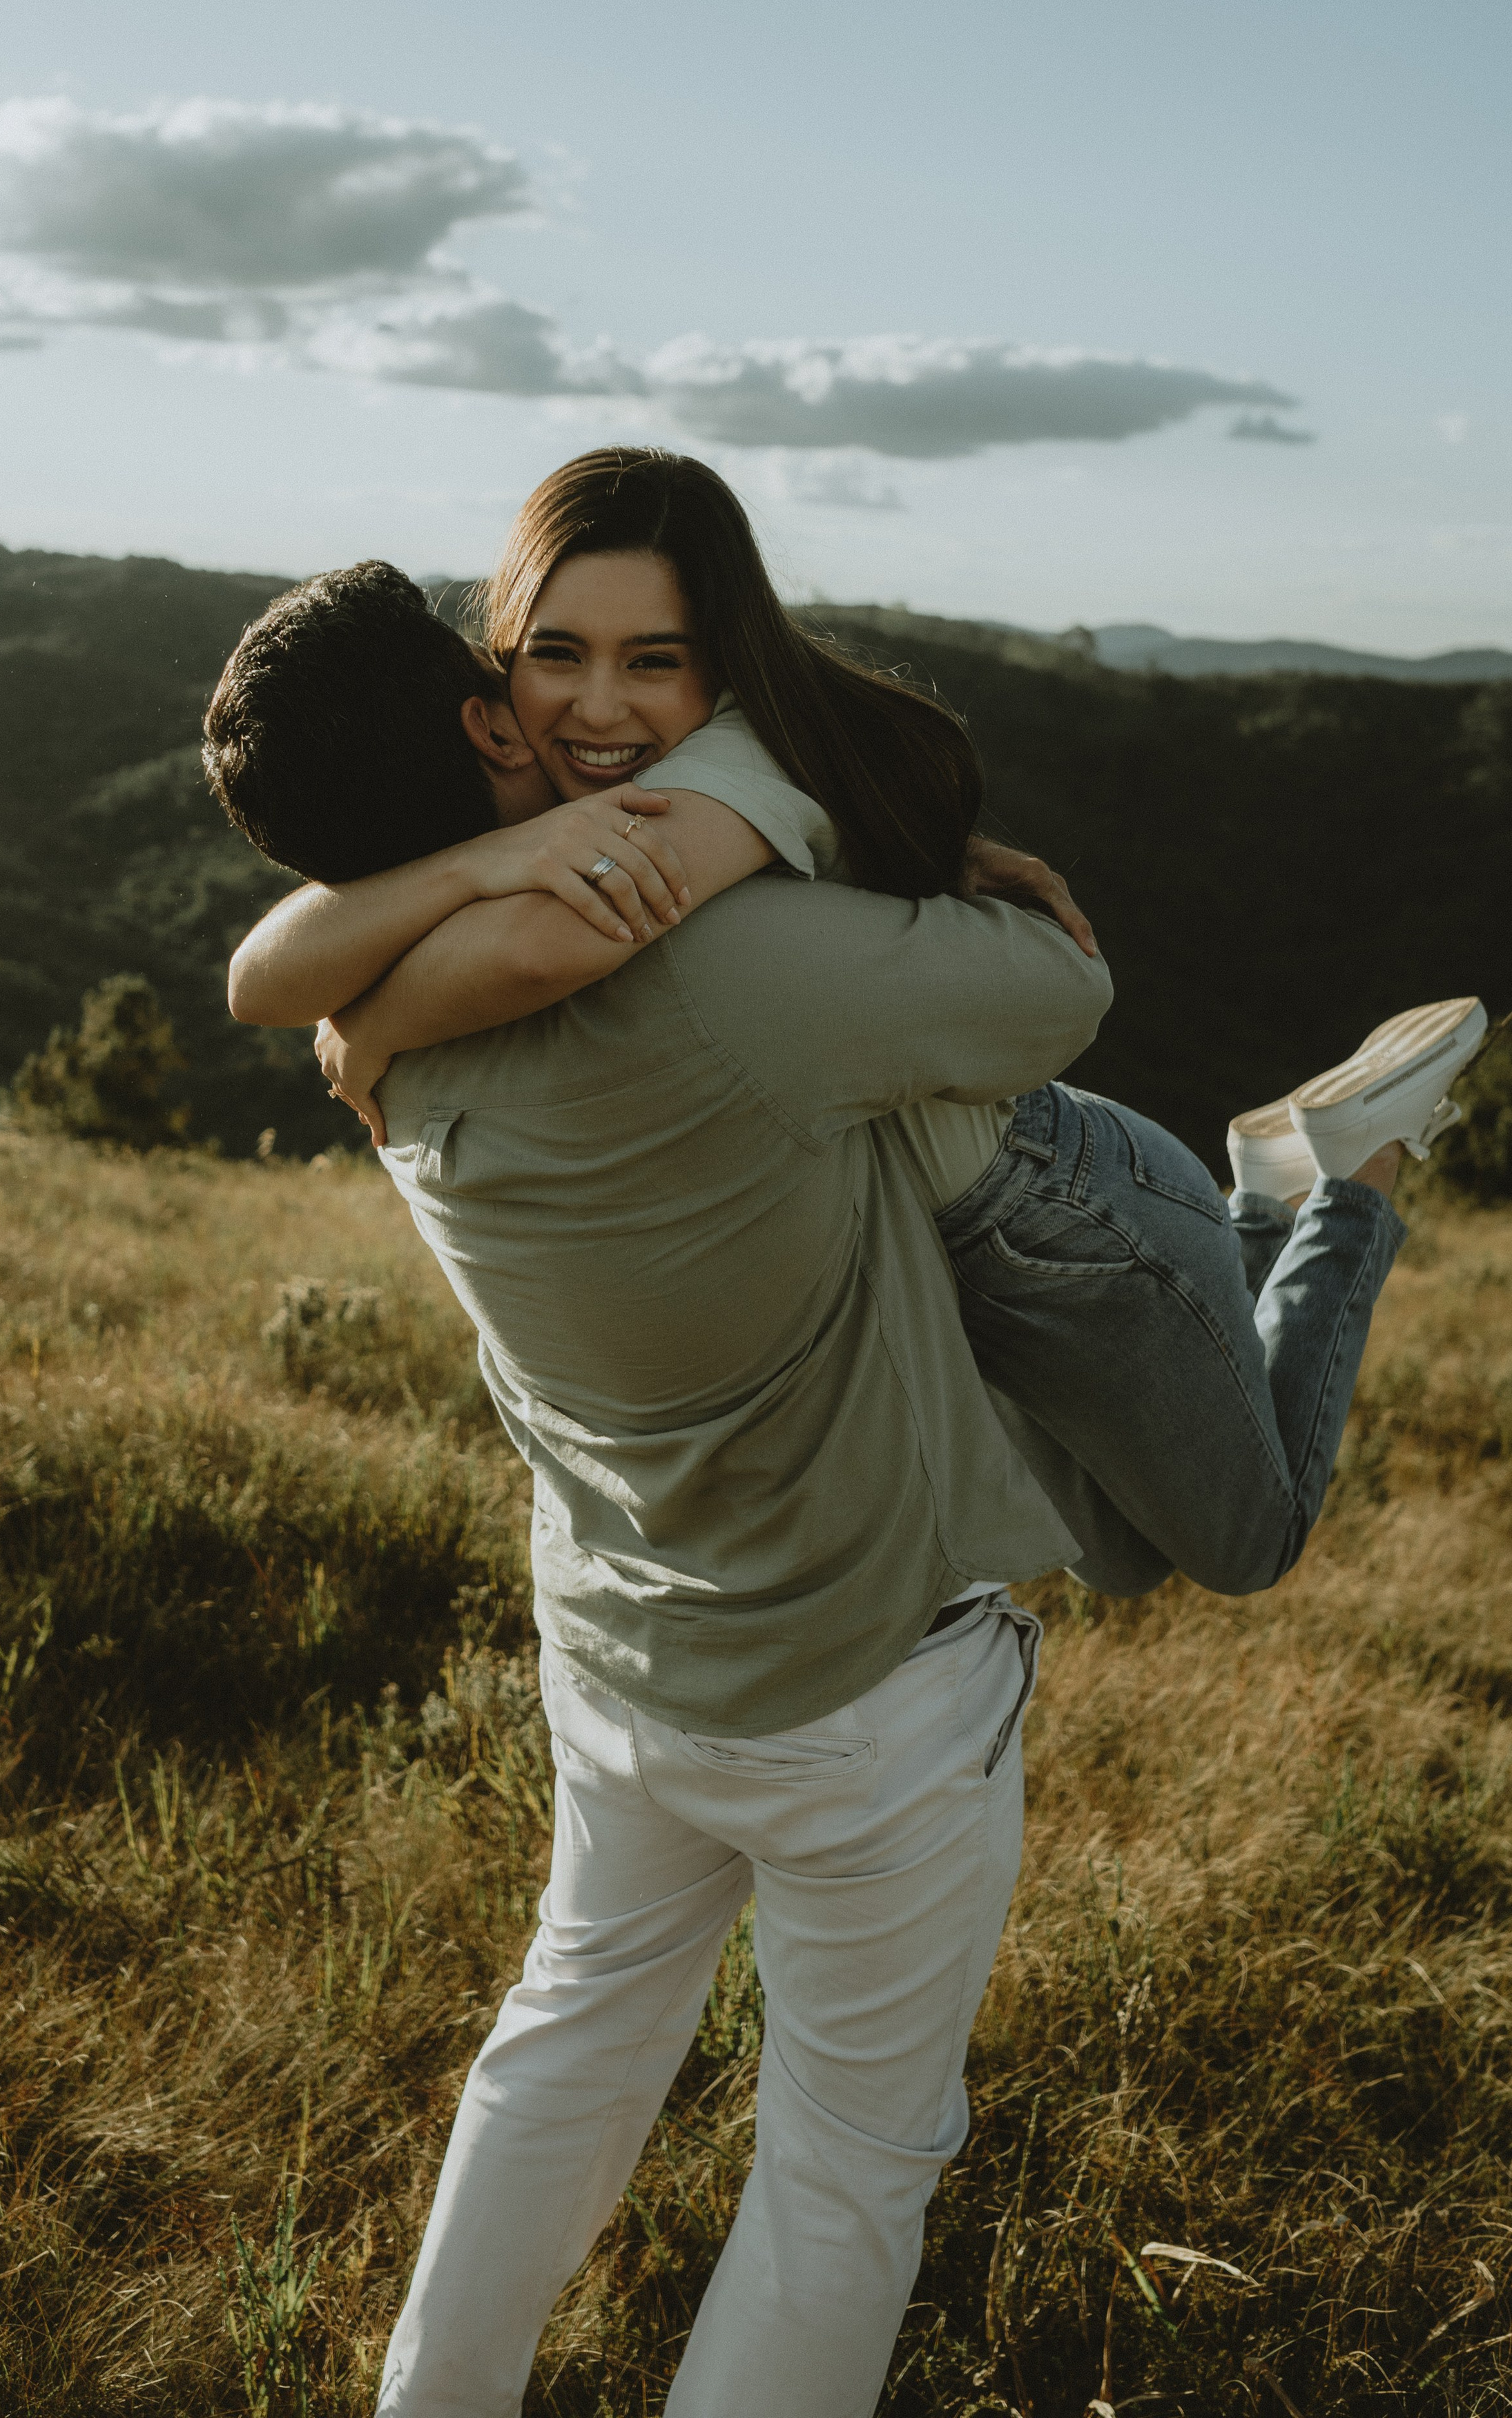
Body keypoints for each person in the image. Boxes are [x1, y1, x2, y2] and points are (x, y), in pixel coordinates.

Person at [204, 457, 1482, 2417]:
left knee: (562, 2044)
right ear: (486, 708)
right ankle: (1319, 1197)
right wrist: (781, 833)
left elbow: (302, 957)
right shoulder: (736, 966)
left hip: (623, 1659)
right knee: (848, 2163)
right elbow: (1057, 984)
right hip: (862, 1694)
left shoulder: (371, 1042)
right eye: (548, 665)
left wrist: (471, 879)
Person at [209, 454, 1483, 1603]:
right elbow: (260, 972)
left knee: (1246, 1545)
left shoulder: (705, 778)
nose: (599, 709)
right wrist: (463, 885)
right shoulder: (538, 829)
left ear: (723, 659)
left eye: (655, 658)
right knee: (1127, 1555)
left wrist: (368, 1018)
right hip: (894, 1217)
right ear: (499, 670)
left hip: (1047, 1200)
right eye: (557, 654)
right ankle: (1269, 1180)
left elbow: (556, 945)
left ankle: (1343, 1181)